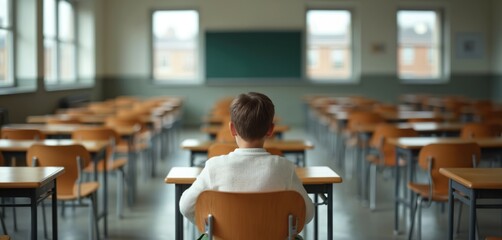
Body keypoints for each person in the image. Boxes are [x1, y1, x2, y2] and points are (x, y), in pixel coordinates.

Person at [179, 92, 314, 225]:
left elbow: (186, 207)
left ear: (232, 129)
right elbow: (307, 214)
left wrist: (210, 227)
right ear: (271, 130)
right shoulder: (285, 168)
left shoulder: (214, 167)